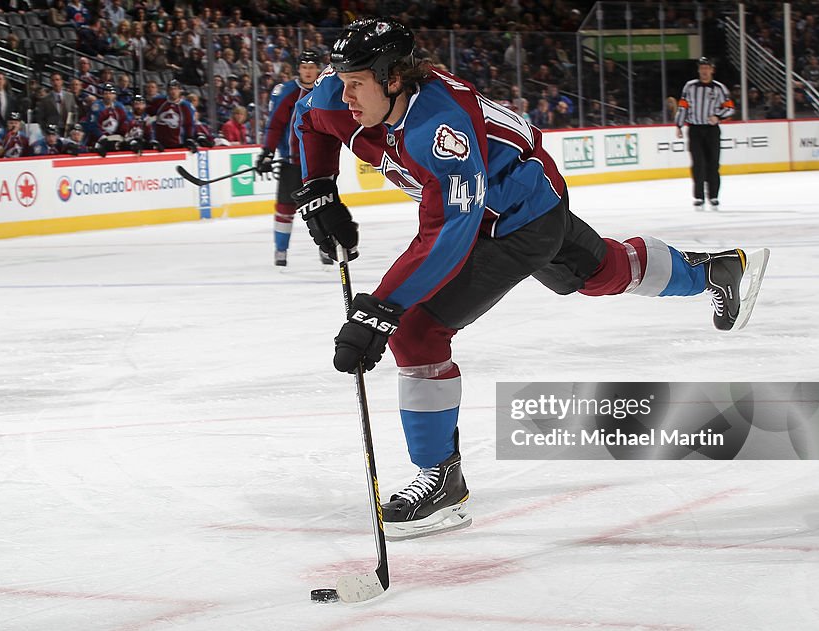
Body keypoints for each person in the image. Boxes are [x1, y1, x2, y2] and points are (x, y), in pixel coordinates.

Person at [291, 20, 765, 540]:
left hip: (518, 219)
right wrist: (318, 188)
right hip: (525, 195)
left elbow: (449, 230)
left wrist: (381, 309)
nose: (345, 92)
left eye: (357, 81)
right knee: (598, 272)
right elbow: (307, 119)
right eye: (343, 79)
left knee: (416, 331)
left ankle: (441, 480)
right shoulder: (343, 96)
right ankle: (713, 272)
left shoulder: (440, 130)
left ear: (395, 78)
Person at [256, 50, 330, 267]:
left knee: (322, 207)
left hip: (319, 165)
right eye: (304, 67)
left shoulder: (327, 91)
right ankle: (281, 251)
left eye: (312, 66)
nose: (308, 71)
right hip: (292, 163)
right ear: (298, 69)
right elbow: (275, 125)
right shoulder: (287, 92)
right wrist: (267, 152)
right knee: (285, 207)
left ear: (318, 68)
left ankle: (326, 249)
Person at [676, 57, 734, 211]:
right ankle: (699, 197)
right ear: (698, 70)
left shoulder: (719, 88)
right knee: (698, 164)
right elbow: (683, 107)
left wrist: (718, 116)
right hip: (695, 129)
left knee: (713, 163)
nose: (704, 71)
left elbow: (730, 108)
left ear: (712, 70)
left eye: (707, 68)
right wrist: (679, 125)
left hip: (711, 130)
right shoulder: (690, 86)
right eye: (702, 68)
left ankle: (713, 196)